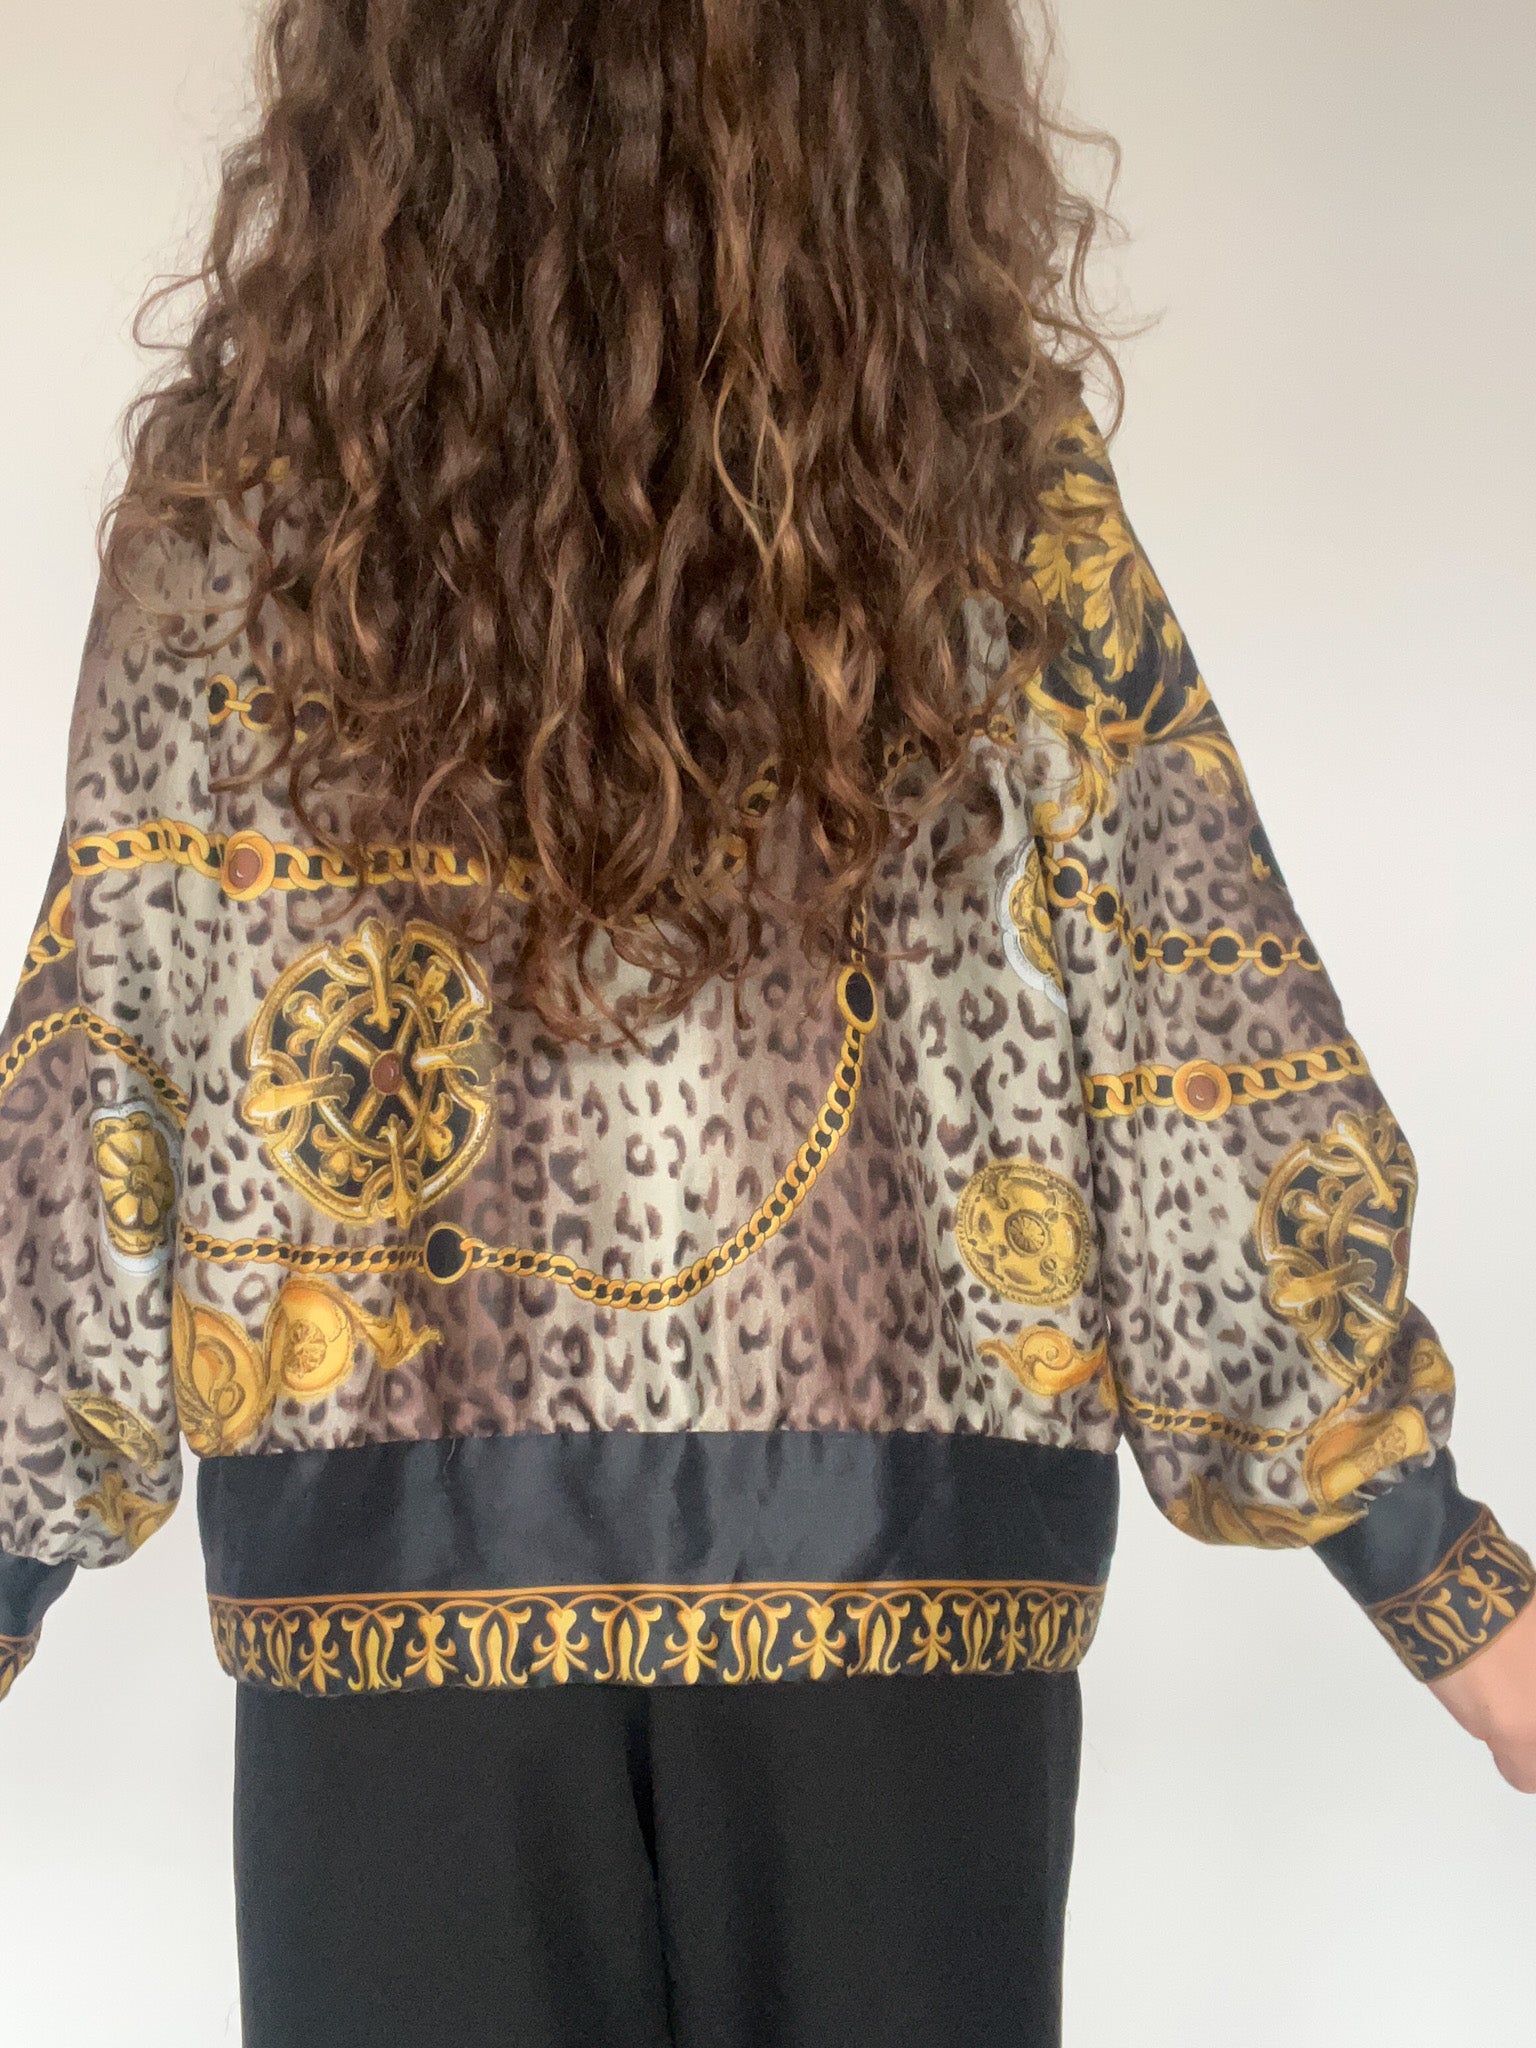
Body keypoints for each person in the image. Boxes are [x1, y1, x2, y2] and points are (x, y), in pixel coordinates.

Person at [1, 4, 1532, 2045]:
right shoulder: (989, 506)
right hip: (907, 1605)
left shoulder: (248, 536)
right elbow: (1198, 1032)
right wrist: (1438, 1570)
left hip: (397, 1602)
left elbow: (92, 1097)